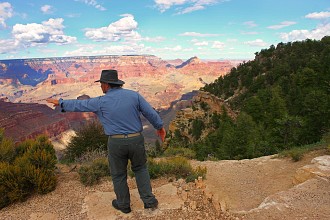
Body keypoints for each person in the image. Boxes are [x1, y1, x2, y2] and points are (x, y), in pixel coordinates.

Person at [47, 69, 166, 214]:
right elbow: (150, 113)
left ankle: (123, 205)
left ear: (106, 85)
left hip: (116, 143)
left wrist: (60, 103)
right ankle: (149, 202)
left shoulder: (100, 101)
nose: (100, 87)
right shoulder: (134, 96)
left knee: (118, 174)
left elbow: (80, 105)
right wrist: (159, 127)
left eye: (101, 84)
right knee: (140, 169)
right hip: (136, 139)